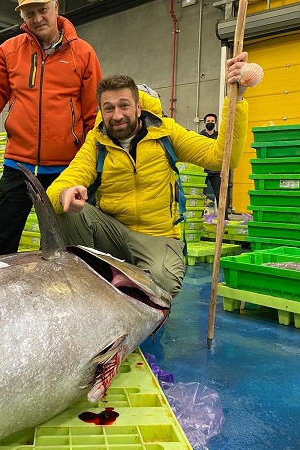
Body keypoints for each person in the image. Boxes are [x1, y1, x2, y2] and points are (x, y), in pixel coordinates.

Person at [46, 55, 252, 297]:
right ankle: (88, 289)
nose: (117, 115)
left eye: (124, 105)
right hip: (113, 233)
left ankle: (128, 283)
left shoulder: (165, 133)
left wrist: (236, 99)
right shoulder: (97, 142)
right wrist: (64, 193)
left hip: (157, 236)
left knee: (164, 284)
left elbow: (223, 157)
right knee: (69, 211)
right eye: (109, 108)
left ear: (138, 107)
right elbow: (65, 181)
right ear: (101, 111)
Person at [0, 0, 102, 256]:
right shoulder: (9, 51)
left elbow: (93, 112)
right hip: (19, 164)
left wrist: (95, 162)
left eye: (42, 10)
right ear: (22, 17)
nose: (37, 18)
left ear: (55, 7)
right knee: (2, 237)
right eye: (30, 13)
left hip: (66, 167)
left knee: (67, 242)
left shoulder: (83, 53)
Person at [199, 112, 229, 218]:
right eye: (208, 121)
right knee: (200, 195)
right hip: (203, 170)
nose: (210, 123)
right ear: (204, 123)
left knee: (221, 195)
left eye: (212, 121)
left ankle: (224, 218)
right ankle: (198, 216)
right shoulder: (199, 137)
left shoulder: (220, 137)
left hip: (216, 170)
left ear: (215, 123)